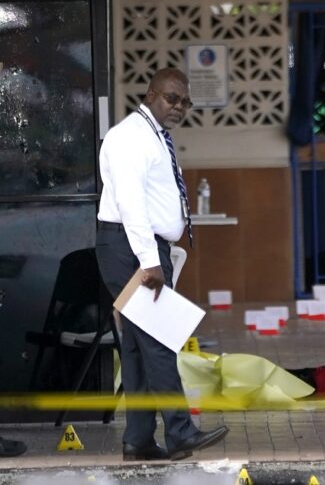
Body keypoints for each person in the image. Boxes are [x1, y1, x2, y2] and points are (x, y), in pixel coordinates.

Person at [96, 68, 228, 461]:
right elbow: (131, 202)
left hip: (141, 249)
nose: (179, 107)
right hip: (132, 250)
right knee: (159, 343)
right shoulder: (130, 137)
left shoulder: (154, 136)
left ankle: (138, 440)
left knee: (138, 349)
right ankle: (180, 431)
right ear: (151, 94)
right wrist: (150, 263)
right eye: (172, 99)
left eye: (185, 102)